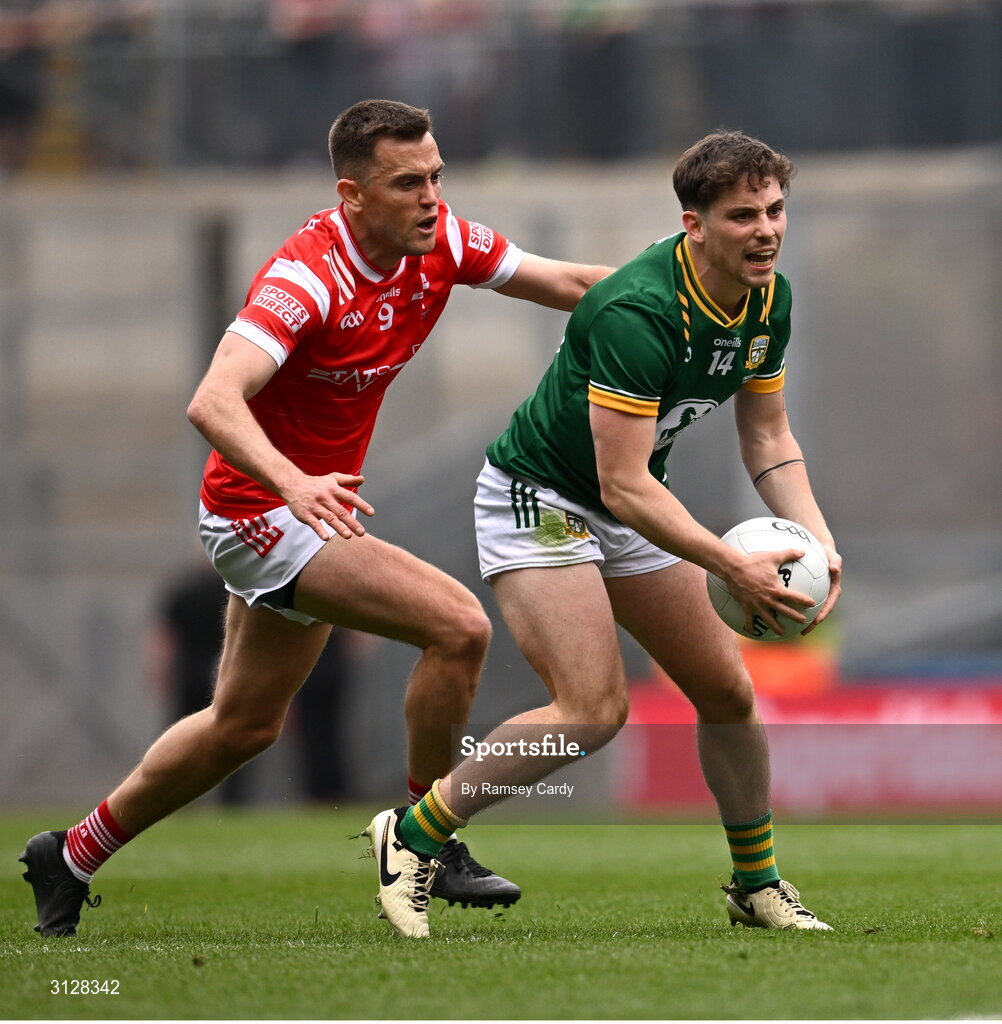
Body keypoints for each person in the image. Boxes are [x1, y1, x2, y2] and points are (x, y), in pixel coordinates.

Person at [19, 98, 614, 937]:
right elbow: (214, 400)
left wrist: (685, 286)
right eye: (408, 184)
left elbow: (577, 286)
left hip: (306, 513)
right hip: (260, 512)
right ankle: (424, 842)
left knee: (243, 725)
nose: (432, 198)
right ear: (352, 194)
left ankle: (70, 854)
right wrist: (294, 483)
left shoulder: (441, 241)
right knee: (458, 628)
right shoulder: (306, 275)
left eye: (437, 177)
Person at [363, 130, 843, 938]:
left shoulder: (770, 300)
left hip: (628, 501)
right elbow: (620, 480)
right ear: (693, 224)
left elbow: (768, 439)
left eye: (774, 211)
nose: (765, 230)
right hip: (537, 497)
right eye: (741, 217)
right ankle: (411, 837)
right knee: (592, 707)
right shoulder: (638, 311)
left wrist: (820, 546)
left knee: (726, 691)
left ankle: (755, 886)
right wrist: (734, 565)